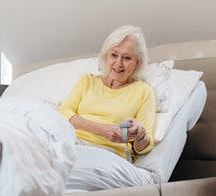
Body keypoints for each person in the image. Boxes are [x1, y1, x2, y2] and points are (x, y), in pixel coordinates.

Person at [58, 25, 155, 162]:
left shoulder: (143, 91)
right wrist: (102, 129)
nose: (118, 63)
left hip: (107, 153)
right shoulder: (86, 81)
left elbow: (144, 147)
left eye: (126, 58)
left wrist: (140, 134)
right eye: (114, 55)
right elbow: (62, 113)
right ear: (106, 56)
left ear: (137, 62)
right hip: (69, 142)